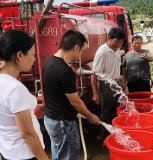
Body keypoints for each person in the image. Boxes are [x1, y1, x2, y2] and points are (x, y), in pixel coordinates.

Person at [42, 29, 100, 160]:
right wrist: (90, 116)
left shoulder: (49, 62)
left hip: (51, 120)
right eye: (81, 50)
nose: (80, 54)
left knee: (58, 155)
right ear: (76, 47)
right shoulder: (65, 70)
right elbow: (75, 102)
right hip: (64, 125)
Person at [0, 29, 49, 160]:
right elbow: (27, 133)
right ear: (20, 55)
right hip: (25, 154)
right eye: (32, 54)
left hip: (8, 151)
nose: (34, 59)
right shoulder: (14, 88)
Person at [91, 27, 125, 140]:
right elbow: (94, 74)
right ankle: (106, 137)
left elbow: (117, 69)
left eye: (121, 42)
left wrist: (121, 83)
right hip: (105, 85)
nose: (119, 44)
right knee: (106, 112)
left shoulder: (116, 51)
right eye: (116, 41)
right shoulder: (102, 52)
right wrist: (95, 93)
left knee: (117, 110)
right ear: (109, 38)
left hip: (116, 83)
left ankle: (116, 134)